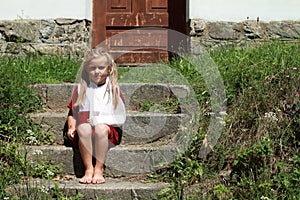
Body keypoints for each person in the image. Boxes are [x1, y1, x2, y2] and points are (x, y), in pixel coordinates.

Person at [66, 46, 126, 184]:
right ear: (87, 70)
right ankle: (88, 168)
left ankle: (99, 168)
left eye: (101, 67)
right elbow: (72, 113)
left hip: (106, 132)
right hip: (84, 133)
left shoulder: (112, 89)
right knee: (83, 128)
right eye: (93, 68)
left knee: (100, 128)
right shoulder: (82, 89)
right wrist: (71, 127)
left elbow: (120, 117)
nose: (97, 71)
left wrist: (99, 120)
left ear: (109, 68)